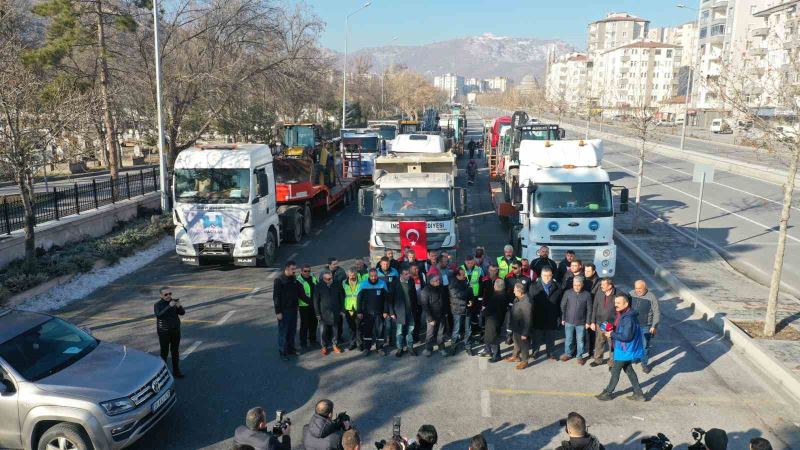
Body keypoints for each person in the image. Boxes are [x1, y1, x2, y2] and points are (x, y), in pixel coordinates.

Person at [595, 294, 646, 401]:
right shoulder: (624, 314)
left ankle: (608, 393)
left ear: (626, 304)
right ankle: (639, 393)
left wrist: (612, 334)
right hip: (624, 349)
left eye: (618, 303)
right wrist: (612, 328)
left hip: (625, 349)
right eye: (615, 303)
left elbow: (627, 336)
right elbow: (622, 330)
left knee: (615, 371)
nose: (616, 305)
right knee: (629, 370)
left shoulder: (628, 318)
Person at [528, 267, 562, 361]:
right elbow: (530, 301)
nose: (547, 278)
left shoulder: (558, 286)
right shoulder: (533, 286)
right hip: (538, 316)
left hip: (552, 316)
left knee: (550, 337)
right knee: (536, 336)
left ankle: (550, 352)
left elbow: (560, 303)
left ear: (552, 275)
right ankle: (535, 352)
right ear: (541, 275)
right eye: (544, 275)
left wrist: (560, 317)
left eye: (549, 275)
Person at [356, 269, 390, 355]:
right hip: (367, 313)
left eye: (375, 276)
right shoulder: (363, 284)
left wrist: (386, 311)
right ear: (369, 275)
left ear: (377, 275)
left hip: (380, 313)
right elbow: (359, 299)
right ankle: (367, 348)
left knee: (380, 331)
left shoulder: (382, 284)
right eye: (371, 276)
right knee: (367, 331)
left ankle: (380, 348)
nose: (373, 278)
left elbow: (386, 299)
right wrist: (359, 311)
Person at [629, 280, 660, 374]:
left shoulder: (651, 297)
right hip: (633, 324)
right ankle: (635, 358)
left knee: (645, 345)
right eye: (636, 288)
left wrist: (654, 326)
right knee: (633, 343)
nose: (637, 290)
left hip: (645, 326)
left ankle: (644, 364)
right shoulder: (631, 294)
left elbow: (656, 312)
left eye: (640, 288)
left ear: (645, 288)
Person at [154, 286, 185, 378]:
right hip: (164, 331)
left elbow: (182, 313)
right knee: (164, 352)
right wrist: (169, 306)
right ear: (161, 295)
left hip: (175, 330)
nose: (168, 296)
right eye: (166, 294)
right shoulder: (157, 304)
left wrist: (179, 306)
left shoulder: (173, 302)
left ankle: (176, 371)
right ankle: (162, 374)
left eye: (170, 294)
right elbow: (159, 315)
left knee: (175, 351)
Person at [274, 261, 302, 361]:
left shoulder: (294, 278)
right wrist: (278, 312)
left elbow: (299, 292)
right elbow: (276, 297)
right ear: (286, 268)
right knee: (283, 332)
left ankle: (291, 349)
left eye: (295, 269)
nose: (294, 271)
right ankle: (283, 352)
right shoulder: (279, 280)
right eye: (292, 269)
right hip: (284, 311)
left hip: (293, 309)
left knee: (292, 331)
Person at [560, 276, 592, 365]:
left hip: (581, 322)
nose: (576, 287)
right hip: (568, 321)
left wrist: (588, 322)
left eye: (578, 285)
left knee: (580, 340)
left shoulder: (587, 295)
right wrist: (563, 318)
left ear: (582, 285)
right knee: (568, 339)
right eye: (575, 285)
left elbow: (589, 309)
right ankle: (568, 354)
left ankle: (579, 356)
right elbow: (563, 306)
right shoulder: (567, 293)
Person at [314, 270, 345, 355]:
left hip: (335, 312)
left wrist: (342, 310)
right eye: (328, 279)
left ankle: (335, 345)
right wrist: (317, 313)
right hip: (323, 313)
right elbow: (316, 301)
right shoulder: (318, 286)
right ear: (324, 279)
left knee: (335, 330)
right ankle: (324, 346)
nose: (330, 280)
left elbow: (342, 297)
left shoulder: (337, 284)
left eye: (331, 278)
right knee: (323, 331)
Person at [590, 278, 618, 369]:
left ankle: (612, 363)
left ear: (610, 286)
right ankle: (597, 360)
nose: (601, 286)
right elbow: (594, 307)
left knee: (612, 345)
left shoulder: (618, 294)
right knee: (599, 342)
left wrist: (617, 324)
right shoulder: (599, 292)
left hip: (612, 325)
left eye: (603, 284)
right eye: (601, 284)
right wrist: (592, 322)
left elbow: (621, 311)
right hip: (600, 323)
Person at [389, 268, 418, 356]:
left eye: (408, 273)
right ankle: (400, 348)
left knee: (410, 330)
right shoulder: (395, 283)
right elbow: (390, 299)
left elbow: (414, 295)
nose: (408, 275)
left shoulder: (411, 281)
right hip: (399, 312)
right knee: (399, 331)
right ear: (401, 275)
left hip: (410, 311)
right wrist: (392, 312)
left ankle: (410, 347)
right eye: (405, 274)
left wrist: (415, 308)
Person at [504, 283, 533, 370]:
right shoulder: (518, 298)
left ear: (520, 292)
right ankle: (515, 356)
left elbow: (528, 319)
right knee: (516, 342)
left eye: (515, 290)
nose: (513, 291)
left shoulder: (526, 303)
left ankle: (524, 361)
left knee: (524, 345)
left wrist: (525, 333)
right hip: (516, 326)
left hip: (522, 328)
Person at [420, 275, 449, 357]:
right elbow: (425, 306)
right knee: (430, 333)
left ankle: (441, 348)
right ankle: (428, 349)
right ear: (431, 282)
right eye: (436, 281)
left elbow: (445, 300)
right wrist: (430, 319)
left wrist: (446, 312)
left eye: (438, 280)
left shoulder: (441, 288)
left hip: (441, 314)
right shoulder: (425, 291)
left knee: (441, 333)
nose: (438, 281)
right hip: (432, 316)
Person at [449, 267, 475, 355]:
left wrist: (471, 300)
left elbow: (471, 292)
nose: (464, 275)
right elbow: (458, 295)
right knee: (456, 329)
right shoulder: (452, 284)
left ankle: (468, 346)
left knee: (468, 329)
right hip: (458, 310)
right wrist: (468, 290)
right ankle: (453, 346)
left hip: (467, 308)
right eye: (463, 274)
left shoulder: (465, 280)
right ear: (457, 275)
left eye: (464, 274)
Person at [297, 264, 319, 350]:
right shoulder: (299, 280)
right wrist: (312, 303)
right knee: (304, 324)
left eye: (308, 271)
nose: (307, 273)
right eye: (305, 271)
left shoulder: (313, 278)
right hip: (304, 306)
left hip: (313, 305)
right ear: (301, 271)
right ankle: (303, 343)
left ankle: (313, 340)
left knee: (314, 323)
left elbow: (317, 288)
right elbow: (301, 295)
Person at [343, 268, 363, 350]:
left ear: (356, 274)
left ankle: (360, 343)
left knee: (359, 327)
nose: (352, 277)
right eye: (350, 275)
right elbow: (341, 295)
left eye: (354, 275)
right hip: (348, 308)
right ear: (348, 275)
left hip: (357, 308)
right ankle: (352, 343)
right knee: (351, 327)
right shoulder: (344, 283)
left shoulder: (361, 283)